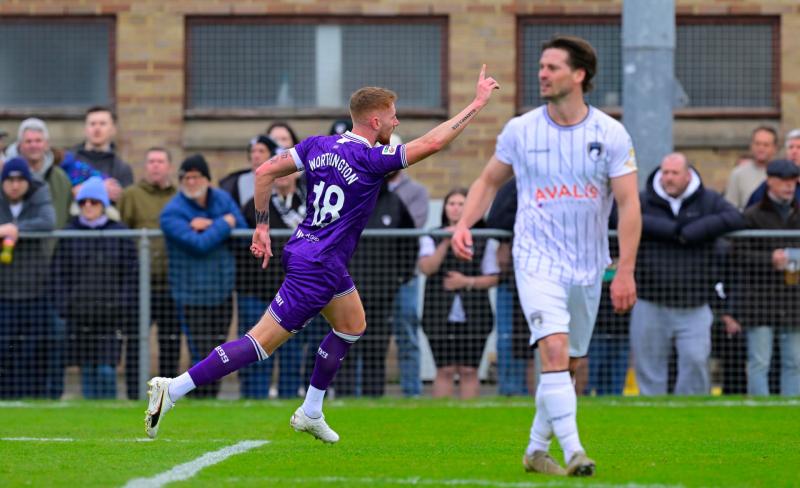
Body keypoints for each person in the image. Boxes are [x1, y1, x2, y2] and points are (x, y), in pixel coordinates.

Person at [144, 66, 499, 442]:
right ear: (375, 119)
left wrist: (262, 225)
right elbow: (433, 142)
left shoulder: (317, 145)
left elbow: (264, 172)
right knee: (259, 344)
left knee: (351, 325)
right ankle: (175, 388)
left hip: (312, 253)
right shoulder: (370, 159)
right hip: (317, 265)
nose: (396, 122)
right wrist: (476, 103)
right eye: (393, 116)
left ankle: (312, 410)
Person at [451, 36, 641, 477]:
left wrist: (625, 269)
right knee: (553, 349)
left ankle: (536, 450)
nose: (542, 73)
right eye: (541, 66)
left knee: (569, 363)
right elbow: (487, 181)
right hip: (535, 260)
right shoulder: (521, 129)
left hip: (589, 264)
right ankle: (575, 451)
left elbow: (630, 206)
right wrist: (464, 225)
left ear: (579, 75)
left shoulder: (611, 133)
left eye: (553, 67)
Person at [631, 153, 744, 396]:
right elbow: (618, 217)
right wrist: (672, 231)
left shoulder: (709, 200)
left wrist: (694, 231)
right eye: (665, 173)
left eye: (674, 173)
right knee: (649, 366)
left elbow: (736, 217)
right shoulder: (644, 199)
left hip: (694, 303)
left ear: (688, 175)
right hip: (651, 300)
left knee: (695, 361)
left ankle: (691, 417)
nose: (669, 178)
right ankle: (651, 420)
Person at [159, 154, 248, 398]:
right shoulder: (172, 212)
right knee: (200, 352)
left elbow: (242, 230)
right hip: (190, 294)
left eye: (196, 176)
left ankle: (212, 399)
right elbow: (199, 244)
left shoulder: (222, 199)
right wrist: (223, 224)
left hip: (222, 290)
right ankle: (200, 398)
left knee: (220, 350)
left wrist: (211, 223)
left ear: (207, 179)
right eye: (185, 177)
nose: (190, 182)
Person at [231, 136, 306, 399]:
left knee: (291, 354)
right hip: (256, 291)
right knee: (255, 350)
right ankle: (254, 400)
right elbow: (240, 245)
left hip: (294, 293)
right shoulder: (255, 206)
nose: (283, 176)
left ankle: (288, 401)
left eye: (288, 171)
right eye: (279, 171)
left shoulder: (308, 206)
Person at [52, 178, 137, 399]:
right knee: (87, 369)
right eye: (83, 202)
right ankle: (92, 417)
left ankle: (109, 414)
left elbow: (131, 273)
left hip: (111, 316)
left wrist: (123, 304)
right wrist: (65, 305)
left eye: (94, 201)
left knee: (106, 370)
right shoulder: (69, 233)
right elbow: (59, 274)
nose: (88, 206)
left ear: (103, 204)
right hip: (79, 315)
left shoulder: (119, 233)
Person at [338, 181, 416, 396]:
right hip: (345, 293)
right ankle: (344, 398)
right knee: (345, 349)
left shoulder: (394, 203)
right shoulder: (345, 200)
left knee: (376, 350)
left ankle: (374, 398)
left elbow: (410, 243)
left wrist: (400, 277)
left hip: (382, 294)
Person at [419, 188, 499, 398]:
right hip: (438, 313)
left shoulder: (483, 238)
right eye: (451, 203)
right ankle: (442, 417)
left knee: (469, 370)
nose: (455, 208)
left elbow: (493, 277)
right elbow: (427, 267)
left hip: (475, 314)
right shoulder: (432, 235)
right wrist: (447, 240)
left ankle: (469, 416)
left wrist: (467, 282)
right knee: (444, 369)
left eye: (461, 204)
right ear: (445, 208)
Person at [730, 160, 800, 396]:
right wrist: (769, 259)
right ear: (770, 181)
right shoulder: (752, 215)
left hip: (793, 300)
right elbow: (737, 254)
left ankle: (791, 409)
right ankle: (760, 409)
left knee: (795, 362)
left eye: (793, 182)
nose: (789, 187)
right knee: (759, 361)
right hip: (760, 300)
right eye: (783, 181)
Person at [118, 147, 179, 398]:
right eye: (151, 161)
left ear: (169, 166)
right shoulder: (131, 195)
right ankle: (134, 393)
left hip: (171, 284)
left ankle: (167, 395)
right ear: (145, 166)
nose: (155, 166)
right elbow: (121, 232)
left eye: (160, 161)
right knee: (135, 341)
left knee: (170, 342)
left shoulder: (179, 196)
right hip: (138, 286)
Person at [0, 157, 56, 397]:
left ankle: (33, 397)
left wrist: (16, 228)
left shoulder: (40, 192)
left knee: (32, 350)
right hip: (3, 292)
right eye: (9, 180)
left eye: (20, 179)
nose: (14, 185)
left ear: (27, 181)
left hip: (35, 290)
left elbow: (48, 221)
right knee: (5, 349)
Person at [386, 133, 429, 397]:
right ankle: (361, 393)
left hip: (404, 275)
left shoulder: (416, 192)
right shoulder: (365, 185)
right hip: (371, 272)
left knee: (407, 334)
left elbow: (412, 225)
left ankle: (412, 392)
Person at [4, 118, 73, 229]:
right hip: (10, 244)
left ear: (46, 144)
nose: (33, 145)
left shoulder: (60, 177)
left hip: (55, 243)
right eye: (28, 141)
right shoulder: (5, 174)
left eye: (38, 141)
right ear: (20, 145)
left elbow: (68, 211)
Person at [72, 106, 134, 203]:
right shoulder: (70, 161)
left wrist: (82, 190)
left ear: (113, 129)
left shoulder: (122, 168)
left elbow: (127, 203)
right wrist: (100, 188)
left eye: (102, 124)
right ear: (85, 129)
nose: (97, 128)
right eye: (92, 124)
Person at [725, 126, 779, 210]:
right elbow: (730, 208)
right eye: (757, 144)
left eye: (766, 145)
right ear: (751, 146)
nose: (761, 148)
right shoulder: (738, 174)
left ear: (774, 148)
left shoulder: (782, 174)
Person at [745, 129, 800, 209]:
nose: (794, 151)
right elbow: (753, 208)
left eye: (799, 147)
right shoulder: (775, 178)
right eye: (791, 147)